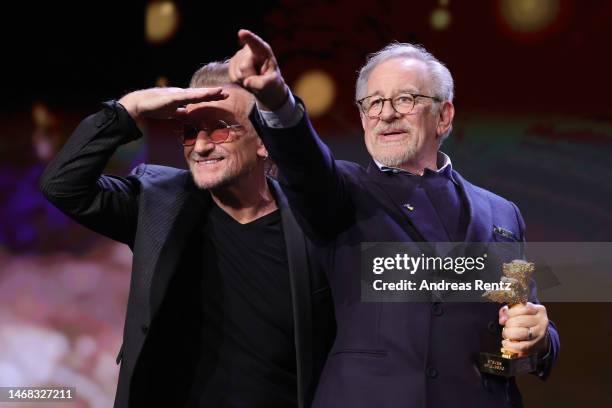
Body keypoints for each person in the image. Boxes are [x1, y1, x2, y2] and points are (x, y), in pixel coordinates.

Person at [228, 29, 560, 407]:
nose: (386, 114)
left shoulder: (502, 213)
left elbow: (524, 319)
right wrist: (275, 97)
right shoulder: (343, 191)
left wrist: (541, 338)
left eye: (406, 99)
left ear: (444, 115)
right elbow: (304, 161)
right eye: (373, 103)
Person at [39, 62, 335, 408]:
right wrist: (129, 108)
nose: (201, 146)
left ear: (264, 143)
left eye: (221, 129)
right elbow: (62, 186)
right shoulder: (156, 203)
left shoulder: (310, 227)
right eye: (191, 131)